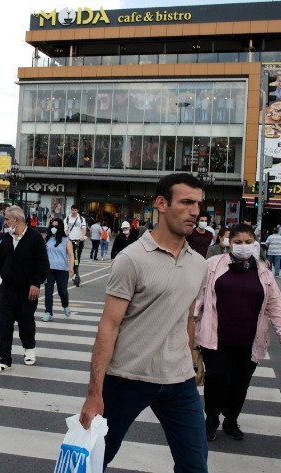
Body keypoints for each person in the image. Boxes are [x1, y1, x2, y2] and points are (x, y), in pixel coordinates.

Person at [79, 173, 208, 471]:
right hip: (127, 378)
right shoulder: (131, 259)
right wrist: (94, 394)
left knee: (195, 466)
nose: (195, 212)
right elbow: (108, 327)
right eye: (186, 202)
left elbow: (187, 315)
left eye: (198, 204)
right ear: (161, 204)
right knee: (93, 460)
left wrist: (193, 355)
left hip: (179, 381)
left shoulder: (198, 264)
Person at [195, 223, 281, 442]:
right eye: (238, 242)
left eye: (248, 242)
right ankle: (211, 419)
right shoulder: (212, 265)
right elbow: (198, 297)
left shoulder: (264, 273)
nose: (243, 246)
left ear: (255, 244)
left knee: (240, 384)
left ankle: (231, 420)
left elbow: (275, 304)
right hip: (216, 339)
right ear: (228, 243)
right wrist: (189, 326)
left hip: (249, 340)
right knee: (218, 379)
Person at [0, 206, 49, 373]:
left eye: (7, 219)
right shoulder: (7, 238)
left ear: (17, 220)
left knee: (25, 322)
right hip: (7, 288)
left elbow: (43, 265)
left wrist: (36, 284)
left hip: (27, 290)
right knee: (5, 323)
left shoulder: (35, 238)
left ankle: (29, 348)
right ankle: (5, 359)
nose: (5, 222)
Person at [42, 218, 74, 322]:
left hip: (62, 269)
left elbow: (71, 254)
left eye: (56, 227)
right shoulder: (47, 239)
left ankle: (65, 306)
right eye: (52, 226)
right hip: (49, 269)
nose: (54, 228)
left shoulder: (66, 240)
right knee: (48, 291)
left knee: (62, 291)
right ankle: (48, 312)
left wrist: (71, 267)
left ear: (60, 228)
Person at [64, 204, 87, 285]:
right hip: (70, 241)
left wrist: (83, 236)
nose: (73, 211)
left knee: (77, 258)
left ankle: (74, 272)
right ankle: (75, 274)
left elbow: (84, 228)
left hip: (79, 241)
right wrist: (65, 234)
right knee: (71, 256)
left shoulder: (81, 219)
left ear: (77, 211)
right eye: (72, 210)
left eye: (75, 210)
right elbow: (65, 229)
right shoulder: (67, 218)